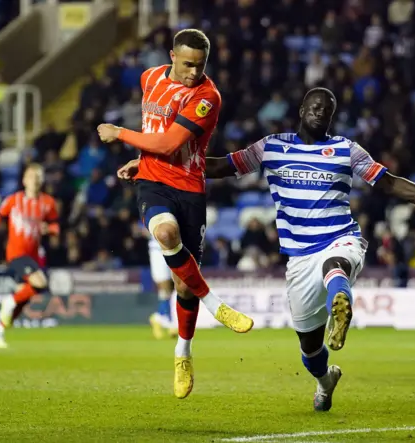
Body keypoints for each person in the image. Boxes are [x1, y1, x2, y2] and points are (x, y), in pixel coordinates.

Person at [199, 87, 415, 411]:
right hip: (299, 257)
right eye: (315, 107)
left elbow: (389, 183)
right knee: (309, 347)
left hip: (340, 237)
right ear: (302, 108)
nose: (320, 113)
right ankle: (325, 380)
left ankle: (340, 301)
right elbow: (222, 166)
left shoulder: (346, 150)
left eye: (327, 111)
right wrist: (166, 165)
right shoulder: (272, 146)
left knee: (335, 264)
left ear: (332, 118)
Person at [97, 28, 253, 399]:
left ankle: (182, 350)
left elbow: (169, 143)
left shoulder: (206, 97)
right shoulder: (149, 78)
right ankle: (215, 305)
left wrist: (120, 133)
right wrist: (142, 160)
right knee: (166, 235)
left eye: (200, 66)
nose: (193, 73)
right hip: (153, 183)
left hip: (189, 189)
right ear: (171, 55)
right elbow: (156, 131)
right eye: (186, 65)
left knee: (184, 285)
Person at [0, 163, 59, 348]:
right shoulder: (13, 200)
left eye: (39, 176)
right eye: (32, 175)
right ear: (24, 180)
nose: (35, 179)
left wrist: (48, 229)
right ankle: (9, 300)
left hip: (33, 256)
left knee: (23, 298)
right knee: (40, 283)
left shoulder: (48, 203)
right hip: (16, 254)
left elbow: (56, 227)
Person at [148, 236, 176, 339]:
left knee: (174, 285)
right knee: (164, 284)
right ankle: (167, 319)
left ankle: (159, 317)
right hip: (158, 248)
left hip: (176, 246)